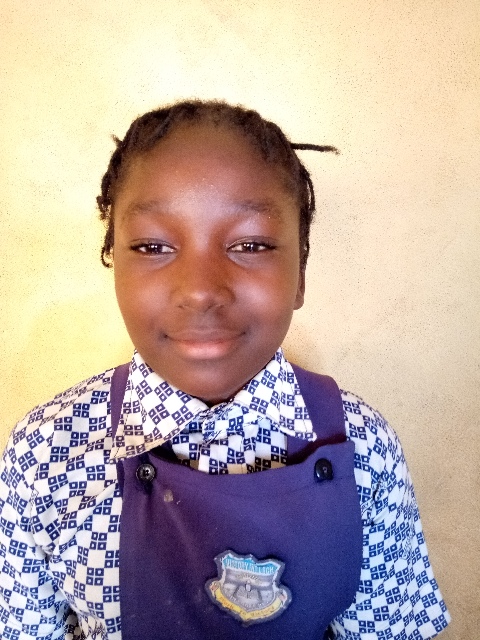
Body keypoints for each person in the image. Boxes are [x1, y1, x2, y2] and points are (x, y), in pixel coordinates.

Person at [0, 100, 450, 640]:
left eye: (250, 244)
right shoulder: (45, 452)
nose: (200, 290)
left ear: (300, 273)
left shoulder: (363, 446)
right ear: (114, 263)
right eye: (152, 246)